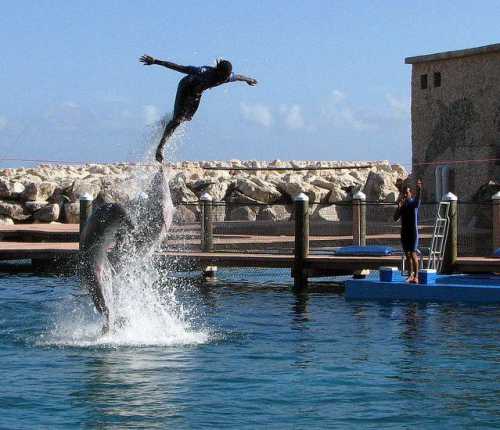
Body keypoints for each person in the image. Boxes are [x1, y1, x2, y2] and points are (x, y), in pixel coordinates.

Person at [139, 54, 258, 163]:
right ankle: (160, 147)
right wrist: (155, 61)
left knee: (187, 118)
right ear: (218, 71)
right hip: (185, 87)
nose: (224, 79)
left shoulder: (226, 77)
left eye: (226, 77)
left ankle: (166, 122)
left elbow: (238, 77)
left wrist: (249, 80)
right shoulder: (203, 71)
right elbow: (179, 67)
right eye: (223, 76)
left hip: (197, 93)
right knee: (178, 119)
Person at [394, 178, 422, 283]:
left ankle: (416, 276)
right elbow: (395, 218)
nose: (405, 195)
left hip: (413, 233)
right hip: (404, 233)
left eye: (407, 193)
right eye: (403, 194)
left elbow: (418, 198)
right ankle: (410, 275)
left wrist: (419, 189)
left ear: (410, 193)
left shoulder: (413, 203)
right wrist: (398, 207)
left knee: (413, 254)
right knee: (407, 255)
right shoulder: (402, 205)